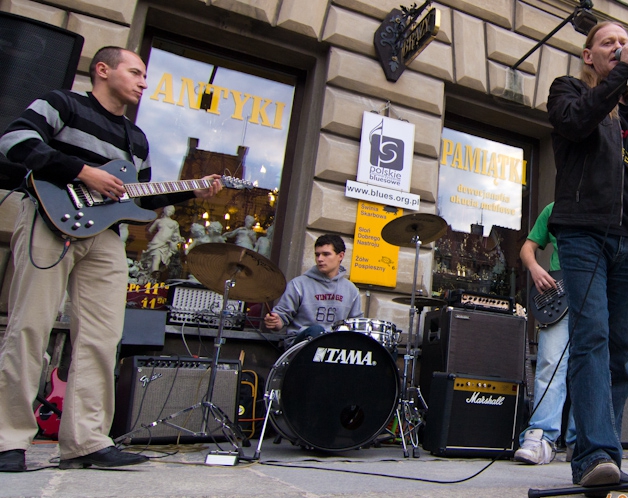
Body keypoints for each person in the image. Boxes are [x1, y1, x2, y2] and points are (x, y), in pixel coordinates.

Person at [0, 46, 222, 472]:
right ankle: (7, 439)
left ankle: (86, 440)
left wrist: (191, 189)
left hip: (105, 239)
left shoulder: (136, 138)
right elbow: (14, 140)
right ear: (103, 70)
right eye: (135, 72)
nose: (143, 82)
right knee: (29, 327)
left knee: (102, 337)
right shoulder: (62, 103)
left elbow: (138, 198)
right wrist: (82, 172)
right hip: (50, 221)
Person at [546, 21, 628, 488]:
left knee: (620, 349)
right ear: (588, 55)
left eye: (624, 42)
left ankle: (607, 452)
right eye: (608, 43)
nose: (618, 48)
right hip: (585, 235)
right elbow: (577, 122)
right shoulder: (569, 91)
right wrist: (620, 75)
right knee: (592, 338)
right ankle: (592, 454)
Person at [515, 202, 575, 465]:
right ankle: (540, 437)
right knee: (549, 364)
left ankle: (581, 442)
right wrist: (535, 268)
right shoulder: (554, 209)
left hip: (595, 294)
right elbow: (527, 248)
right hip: (560, 297)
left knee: (590, 368)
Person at [264, 234, 362, 346]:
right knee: (316, 331)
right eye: (317, 254)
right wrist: (275, 322)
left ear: (340, 256)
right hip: (301, 345)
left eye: (326, 254)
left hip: (335, 347)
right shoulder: (298, 285)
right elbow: (281, 317)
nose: (320, 259)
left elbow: (356, 326)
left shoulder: (351, 290)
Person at [143, 205, 181, 273]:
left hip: (166, 243)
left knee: (162, 261)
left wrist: (177, 239)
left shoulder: (174, 223)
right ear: (164, 210)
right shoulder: (158, 221)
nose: (169, 212)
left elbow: (177, 234)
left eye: (171, 211)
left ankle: (155, 274)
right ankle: (154, 275)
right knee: (156, 258)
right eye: (168, 210)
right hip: (157, 241)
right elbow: (150, 230)